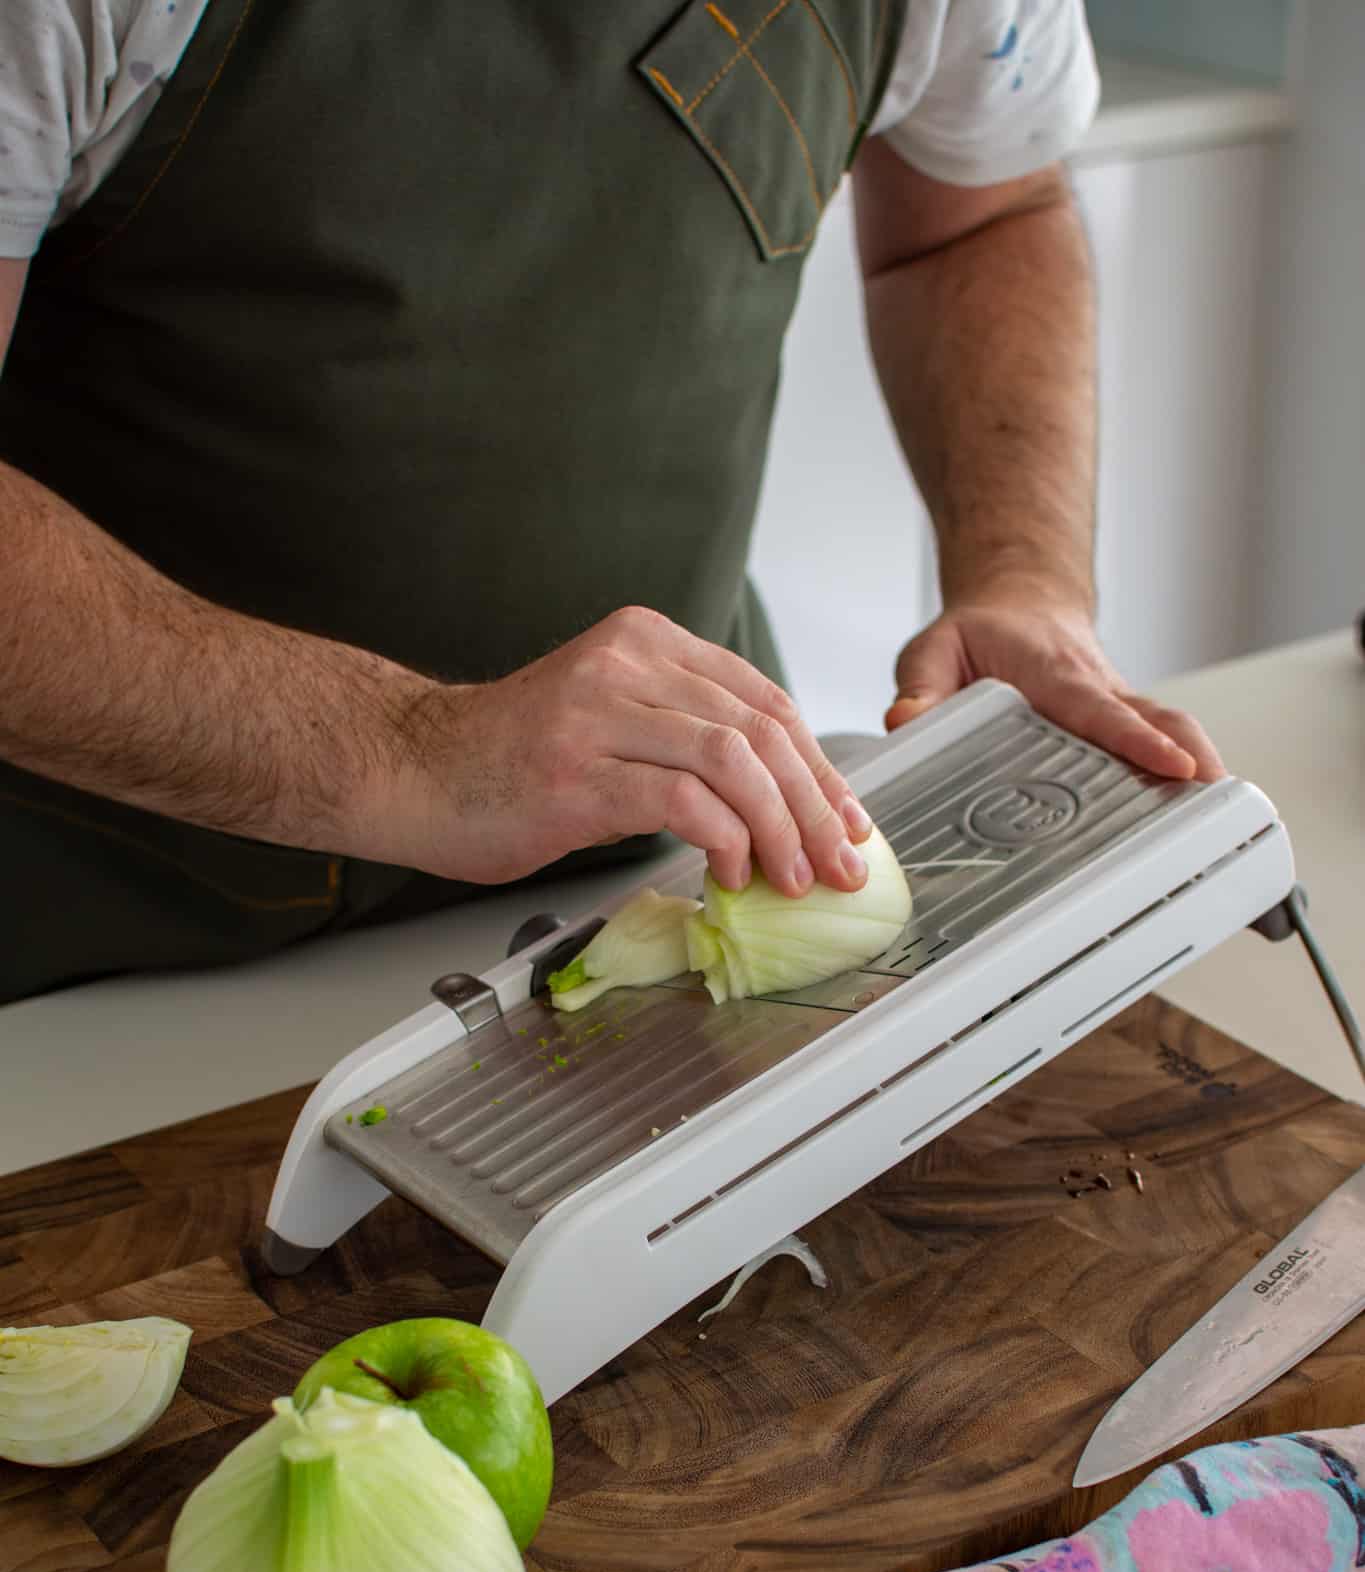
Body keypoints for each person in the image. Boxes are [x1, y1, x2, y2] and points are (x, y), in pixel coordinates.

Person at [0, 1, 1222, 1006]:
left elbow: (983, 216)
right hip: (83, 959)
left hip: (635, 901)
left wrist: (1024, 573)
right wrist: (413, 750)